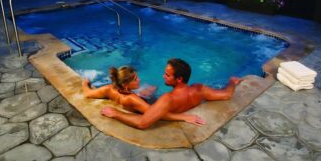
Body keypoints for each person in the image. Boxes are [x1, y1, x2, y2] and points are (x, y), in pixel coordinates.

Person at [101, 58, 243, 129]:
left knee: (139, 96)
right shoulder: (200, 89)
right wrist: (232, 82)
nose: (163, 76)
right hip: (176, 105)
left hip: (157, 107)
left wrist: (116, 113)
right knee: (151, 89)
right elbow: (226, 94)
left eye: (167, 75)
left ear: (179, 78)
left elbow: (142, 123)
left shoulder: (167, 99)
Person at [82, 65, 205, 125]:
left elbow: (87, 93)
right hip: (146, 104)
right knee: (157, 92)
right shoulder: (133, 99)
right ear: (125, 85)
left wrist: (85, 83)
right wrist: (183, 117)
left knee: (151, 88)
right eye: (135, 79)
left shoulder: (109, 89)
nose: (139, 80)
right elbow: (158, 114)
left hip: (134, 97)